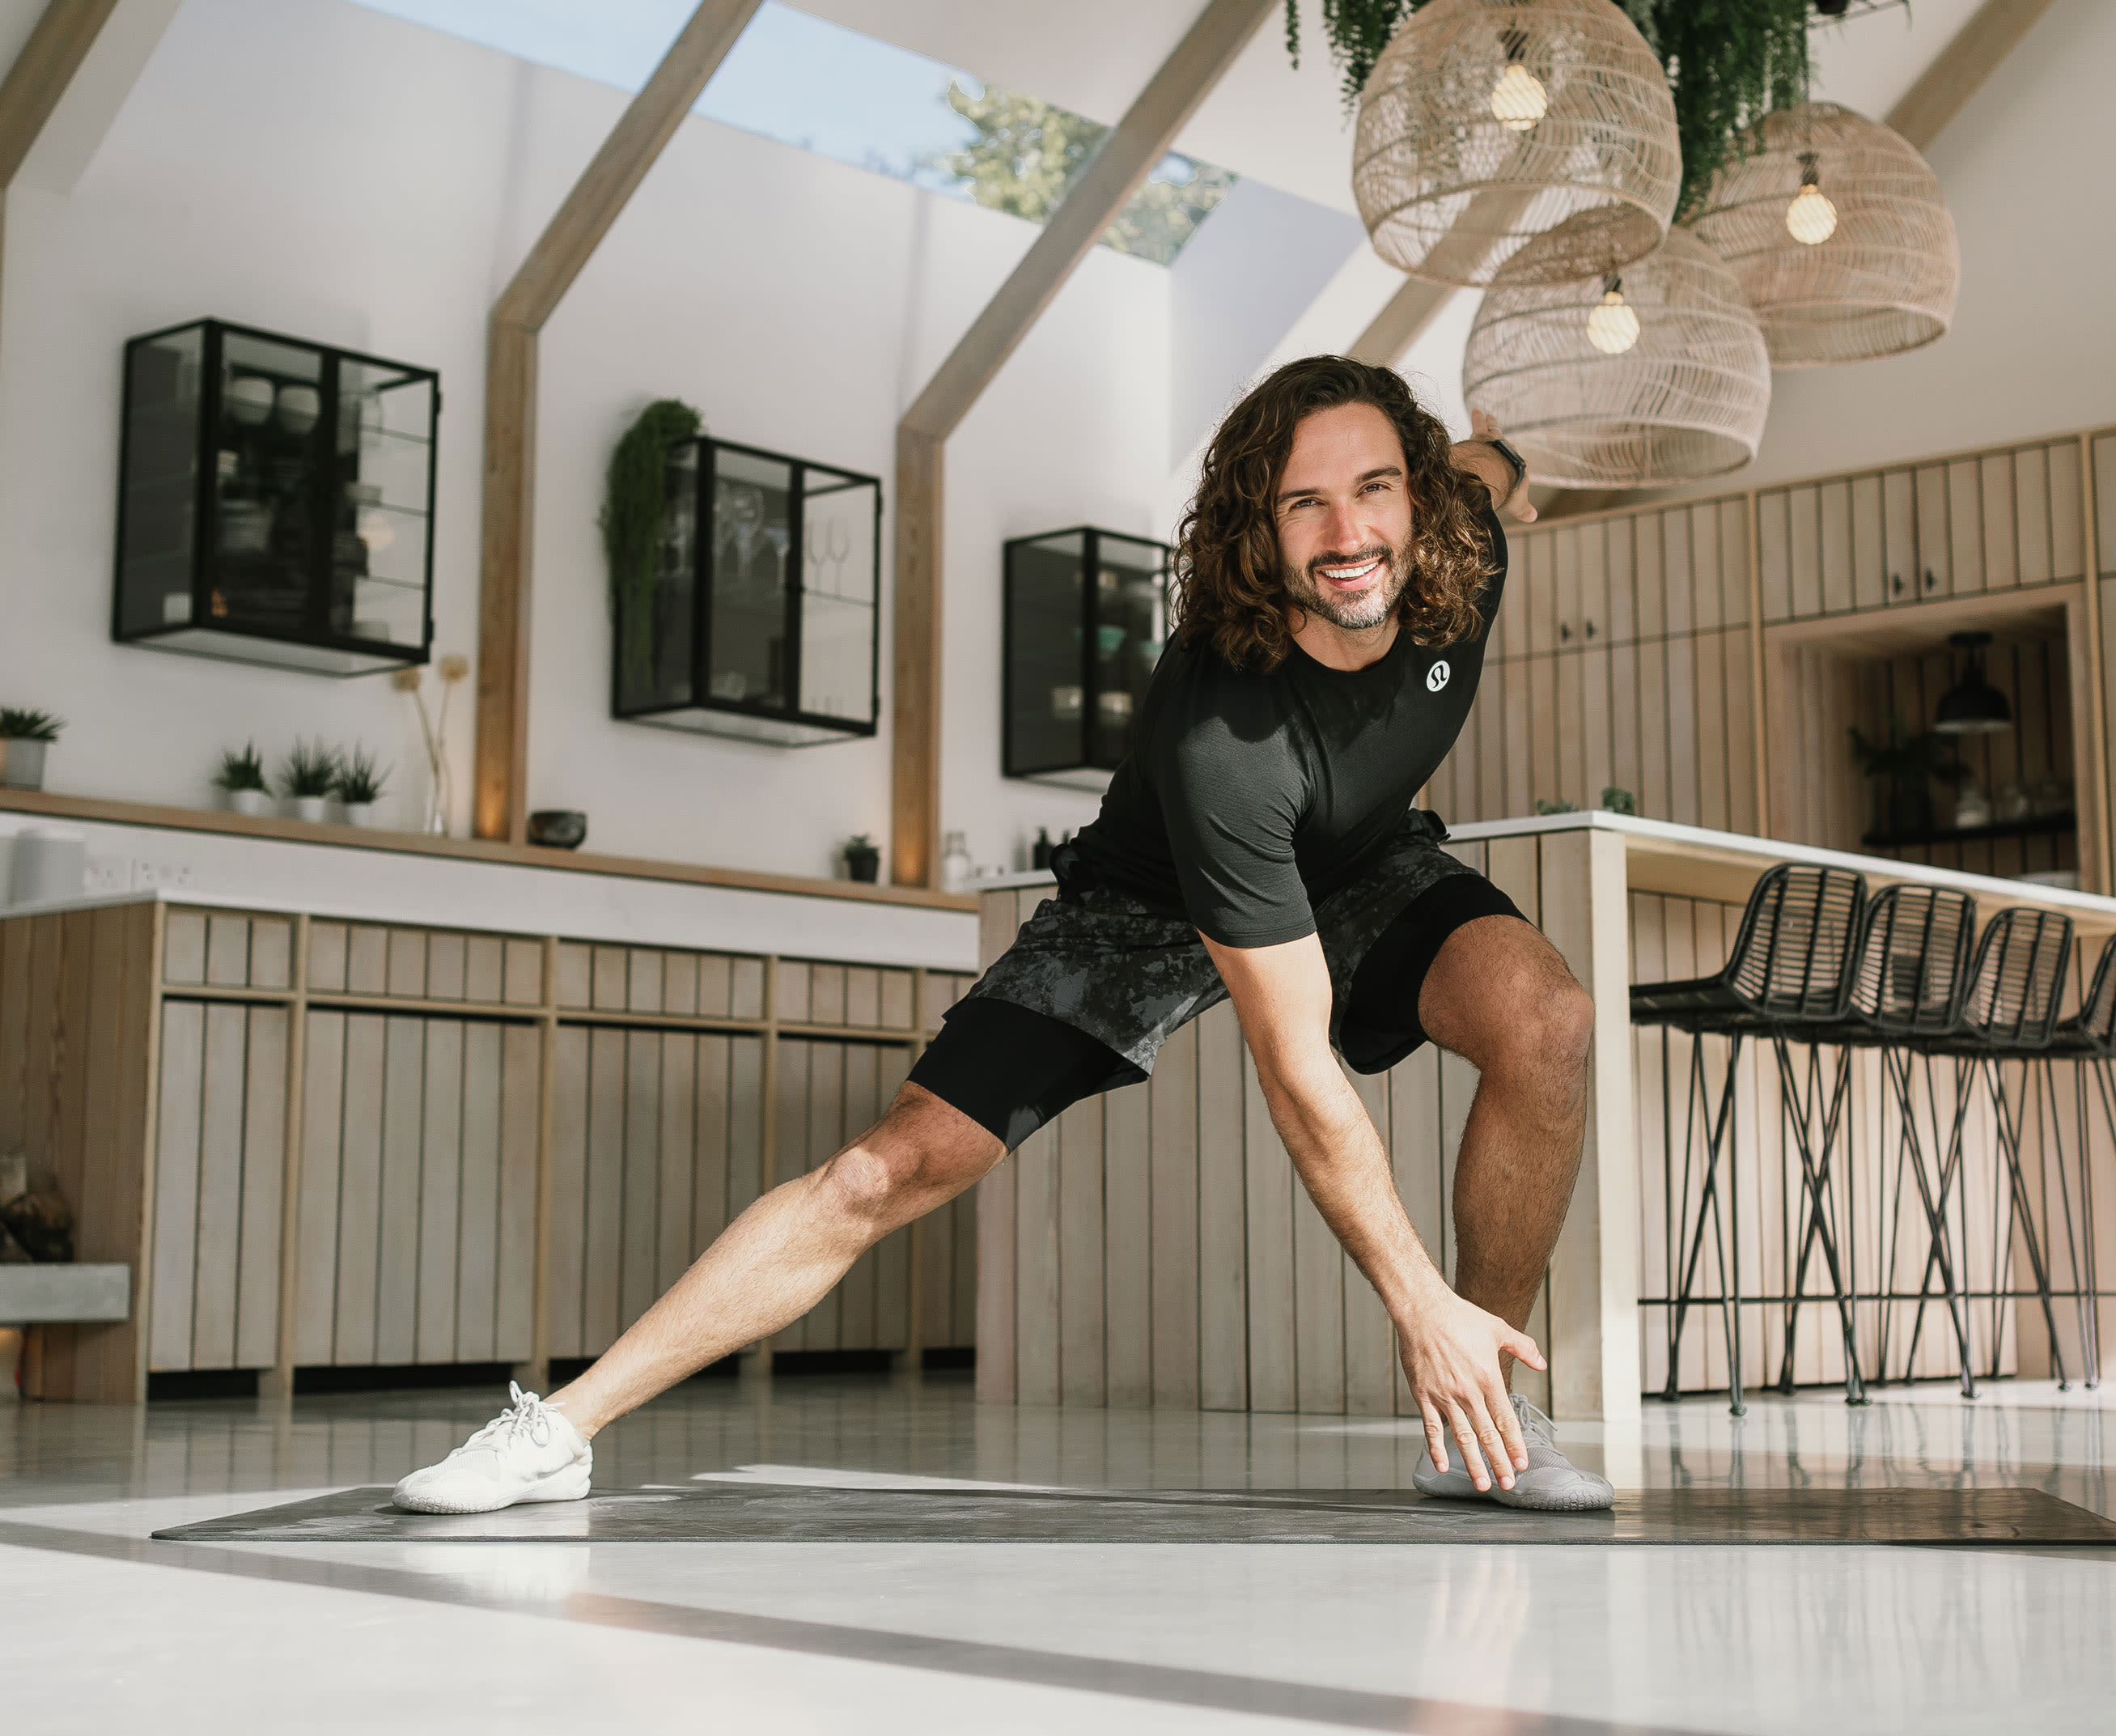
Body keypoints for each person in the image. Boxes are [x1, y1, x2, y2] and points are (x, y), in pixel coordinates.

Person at [395, 355, 1609, 1516]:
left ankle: (1484, 1429)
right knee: (889, 1166)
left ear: (1416, 490)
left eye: (1373, 487)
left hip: (1358, 865)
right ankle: (560, 1430)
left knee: (1545, 1020)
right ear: (1257, 526)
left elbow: (1489, 466)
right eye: (1304, 503)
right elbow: (1298, 1071)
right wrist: (1418, 1303)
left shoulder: (1461, 539)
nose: (1348, 534)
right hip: (1147, 901)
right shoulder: (1225, 739)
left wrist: (1510, 459)